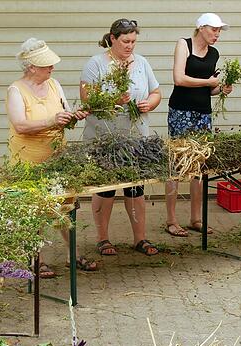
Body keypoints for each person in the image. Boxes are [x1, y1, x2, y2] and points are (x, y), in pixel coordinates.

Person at [6, 38, 98, 277]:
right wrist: (51, 121)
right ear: (31, 67)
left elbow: (64, 113)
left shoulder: (54, 84)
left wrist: (74, 116)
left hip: (57, 157)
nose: (52, 68)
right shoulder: (16, 90)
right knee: (35, 210)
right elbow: (20, 125)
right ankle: (36, 259)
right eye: (46, 65)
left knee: (65, 206)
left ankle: (73, 255)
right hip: (28, 161)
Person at [81, 18, 162, 256]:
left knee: (135, 188)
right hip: (104, 138)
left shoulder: (141, 63)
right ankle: (103, 239)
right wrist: (114, 100)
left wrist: (150, 103)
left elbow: (156, 92)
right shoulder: (96, 64)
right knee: (106, 189)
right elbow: (87, 100)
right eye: (125, 41)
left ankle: (140, 238)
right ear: (112, 38)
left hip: (135, 137)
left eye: (134, 41)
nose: (130, 46)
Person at [164, 13, 232, 237]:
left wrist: (221, 89)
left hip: (203, 113)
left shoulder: (214, 53)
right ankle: (171, 220)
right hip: (180, 111)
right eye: (214, 30)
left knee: (199, 167)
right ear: (201, 28)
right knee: (177, 164)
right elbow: (179, 79)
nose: (217, 34)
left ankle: (196, 218)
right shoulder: (184, 45)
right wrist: (208, 82)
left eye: (219, 30)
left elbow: (210, 88)